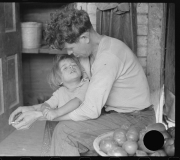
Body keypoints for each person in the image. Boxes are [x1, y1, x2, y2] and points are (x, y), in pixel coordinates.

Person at [9, 6, 156, 156]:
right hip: (114, 113)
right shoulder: (90, 55)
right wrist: (32, 109)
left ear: (85, 38)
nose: (70, 53)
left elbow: (90, 110)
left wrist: (38, 116)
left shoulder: (109, 57)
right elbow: (74, 97)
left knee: (64, 131)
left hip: (136, 118)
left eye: (71, 48)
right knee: (53, 124)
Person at [9, 54, 89, 125]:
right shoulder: (60, 92)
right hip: (65, 124)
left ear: (81, 72)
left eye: (74, 65)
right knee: (53, 126)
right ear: (59, 79)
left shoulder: (85, 84)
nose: (71, 67)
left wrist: (56, 112)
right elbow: (46, 104)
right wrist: (46, 110)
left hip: (82, 124)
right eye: (65, 68)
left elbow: (77, 101)